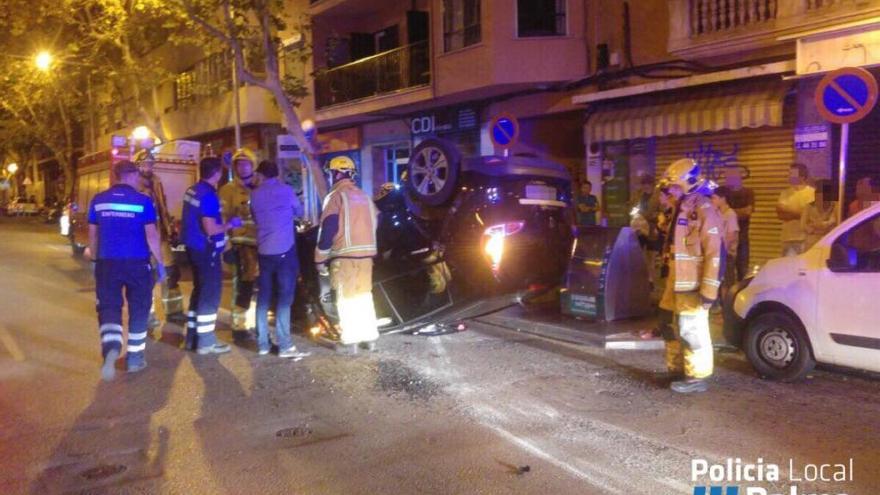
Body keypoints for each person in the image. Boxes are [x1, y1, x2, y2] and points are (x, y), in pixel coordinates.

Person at [87, 161, 166, 380]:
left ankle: (111, 347)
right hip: (137, 264)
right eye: (137, 175)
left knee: (109, 307)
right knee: (139, 309)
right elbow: (151, 236)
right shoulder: (143, 201)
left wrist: (95, 260)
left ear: (115, 176)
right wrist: (160, 263)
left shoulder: (98, 201)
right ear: (131, 176)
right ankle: (135, 358)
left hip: (107, 263)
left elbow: (93, 235)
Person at [657, 158, 723, 394]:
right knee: (668, 324)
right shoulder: (681, 207)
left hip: (691, 285)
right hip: (675, 282)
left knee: (691, 330)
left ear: (688, 183)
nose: (670, 190)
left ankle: (696, 377)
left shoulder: (703, 209)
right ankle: (677, 369)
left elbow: (715, 253)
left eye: (674, 185)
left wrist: (708, 291)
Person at [315, 156, 380, 353]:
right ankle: (369, 338)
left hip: (343, 256)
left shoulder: (336, 197)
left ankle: (350, 342)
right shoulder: (364, 196)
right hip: (366, 256)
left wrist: (320, 257)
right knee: (364, 296)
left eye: (330, 173)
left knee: (346, 298)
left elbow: (329, 228)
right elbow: (377, 219)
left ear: (335, 173)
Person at [250, 160, 311, 359]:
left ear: (261, 175)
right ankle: (284, 345)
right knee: (284, 299)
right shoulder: (286, 191)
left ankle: (262, 345)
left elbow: (256, 218)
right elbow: (300, 213)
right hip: (285, 252)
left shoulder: (255, 194)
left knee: (264, 297)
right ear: (277, 174)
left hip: (264, 252)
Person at [181, 157, 242, 355]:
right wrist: (230, 225)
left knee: (199, 291)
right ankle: (206, 342)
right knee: (210, 294)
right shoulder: (208, 195)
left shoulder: (192, 190)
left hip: (193, 247)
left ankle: (192, 337)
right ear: (217, 173)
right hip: (205, 250)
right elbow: (210, 228)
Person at [134, 149, 185, 327]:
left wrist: (170, 230)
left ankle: (174, 311)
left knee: (171, 272)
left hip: (160, 235)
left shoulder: (156, 181)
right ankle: (147, 315)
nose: (148, 167)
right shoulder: (134, 185)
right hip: (142, 238)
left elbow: (162, 208)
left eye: (150, 163)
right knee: (147, 277)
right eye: (145, 164)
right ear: (138, 165)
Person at [219, 148, 260, 339]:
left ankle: (251, 321)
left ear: (253, 165)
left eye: (246, 163)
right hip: (240, 245)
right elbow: (222, 219)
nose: (242, 167)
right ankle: (240, 326)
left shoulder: (260, 187)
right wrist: (226, 245)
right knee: (242, 285)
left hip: (261, 244)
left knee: (256, 286)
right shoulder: (228, 190)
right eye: (239, 164)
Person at [776, 163, 815, 257]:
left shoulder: (812, 193)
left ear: (802, 176)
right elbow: (780, 214)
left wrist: (789, 212)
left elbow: (811, 216)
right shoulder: (785, 193)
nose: (788, 176)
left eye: (791, 174)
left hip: (805, 239)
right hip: (787, 238)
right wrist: (800, 213)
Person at [724, 167, 755, 281]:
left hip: (742, 237)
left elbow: (747, 212)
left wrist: (729, 212)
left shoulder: (747, 192)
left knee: (742, 270)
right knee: (728, 271)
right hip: (727, 239)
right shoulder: (725, 194)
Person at [711, 186, 739, 294]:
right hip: (717, 255)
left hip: (726, 255)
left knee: (726, 285)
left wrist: (723, 252)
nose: (712, 200)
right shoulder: (716, 214)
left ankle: (727, 308)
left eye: (714, 198)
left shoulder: (730, 214)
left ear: (723, 199)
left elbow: (731, 235)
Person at [802, 180, 839, 250]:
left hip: (828, 242)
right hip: (812, 243)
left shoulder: (835, 205)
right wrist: (813, 231)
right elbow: (803, 225)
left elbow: (836, 221)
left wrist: (824, 225)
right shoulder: (809, 206)